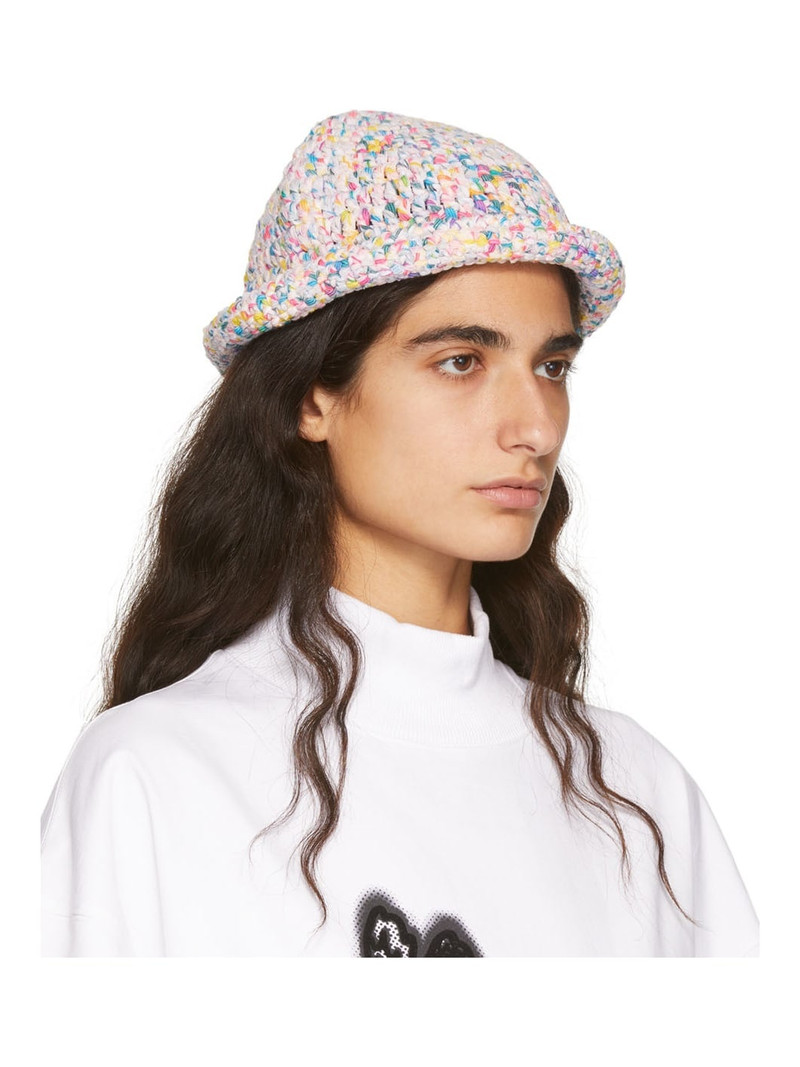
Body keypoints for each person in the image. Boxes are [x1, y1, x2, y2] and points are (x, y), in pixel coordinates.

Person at [40, 108, 759, 957]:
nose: (536, 427)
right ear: (312, 396)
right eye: (461, 361)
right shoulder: (153, 777)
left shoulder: (640, 797)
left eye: (552, 366)